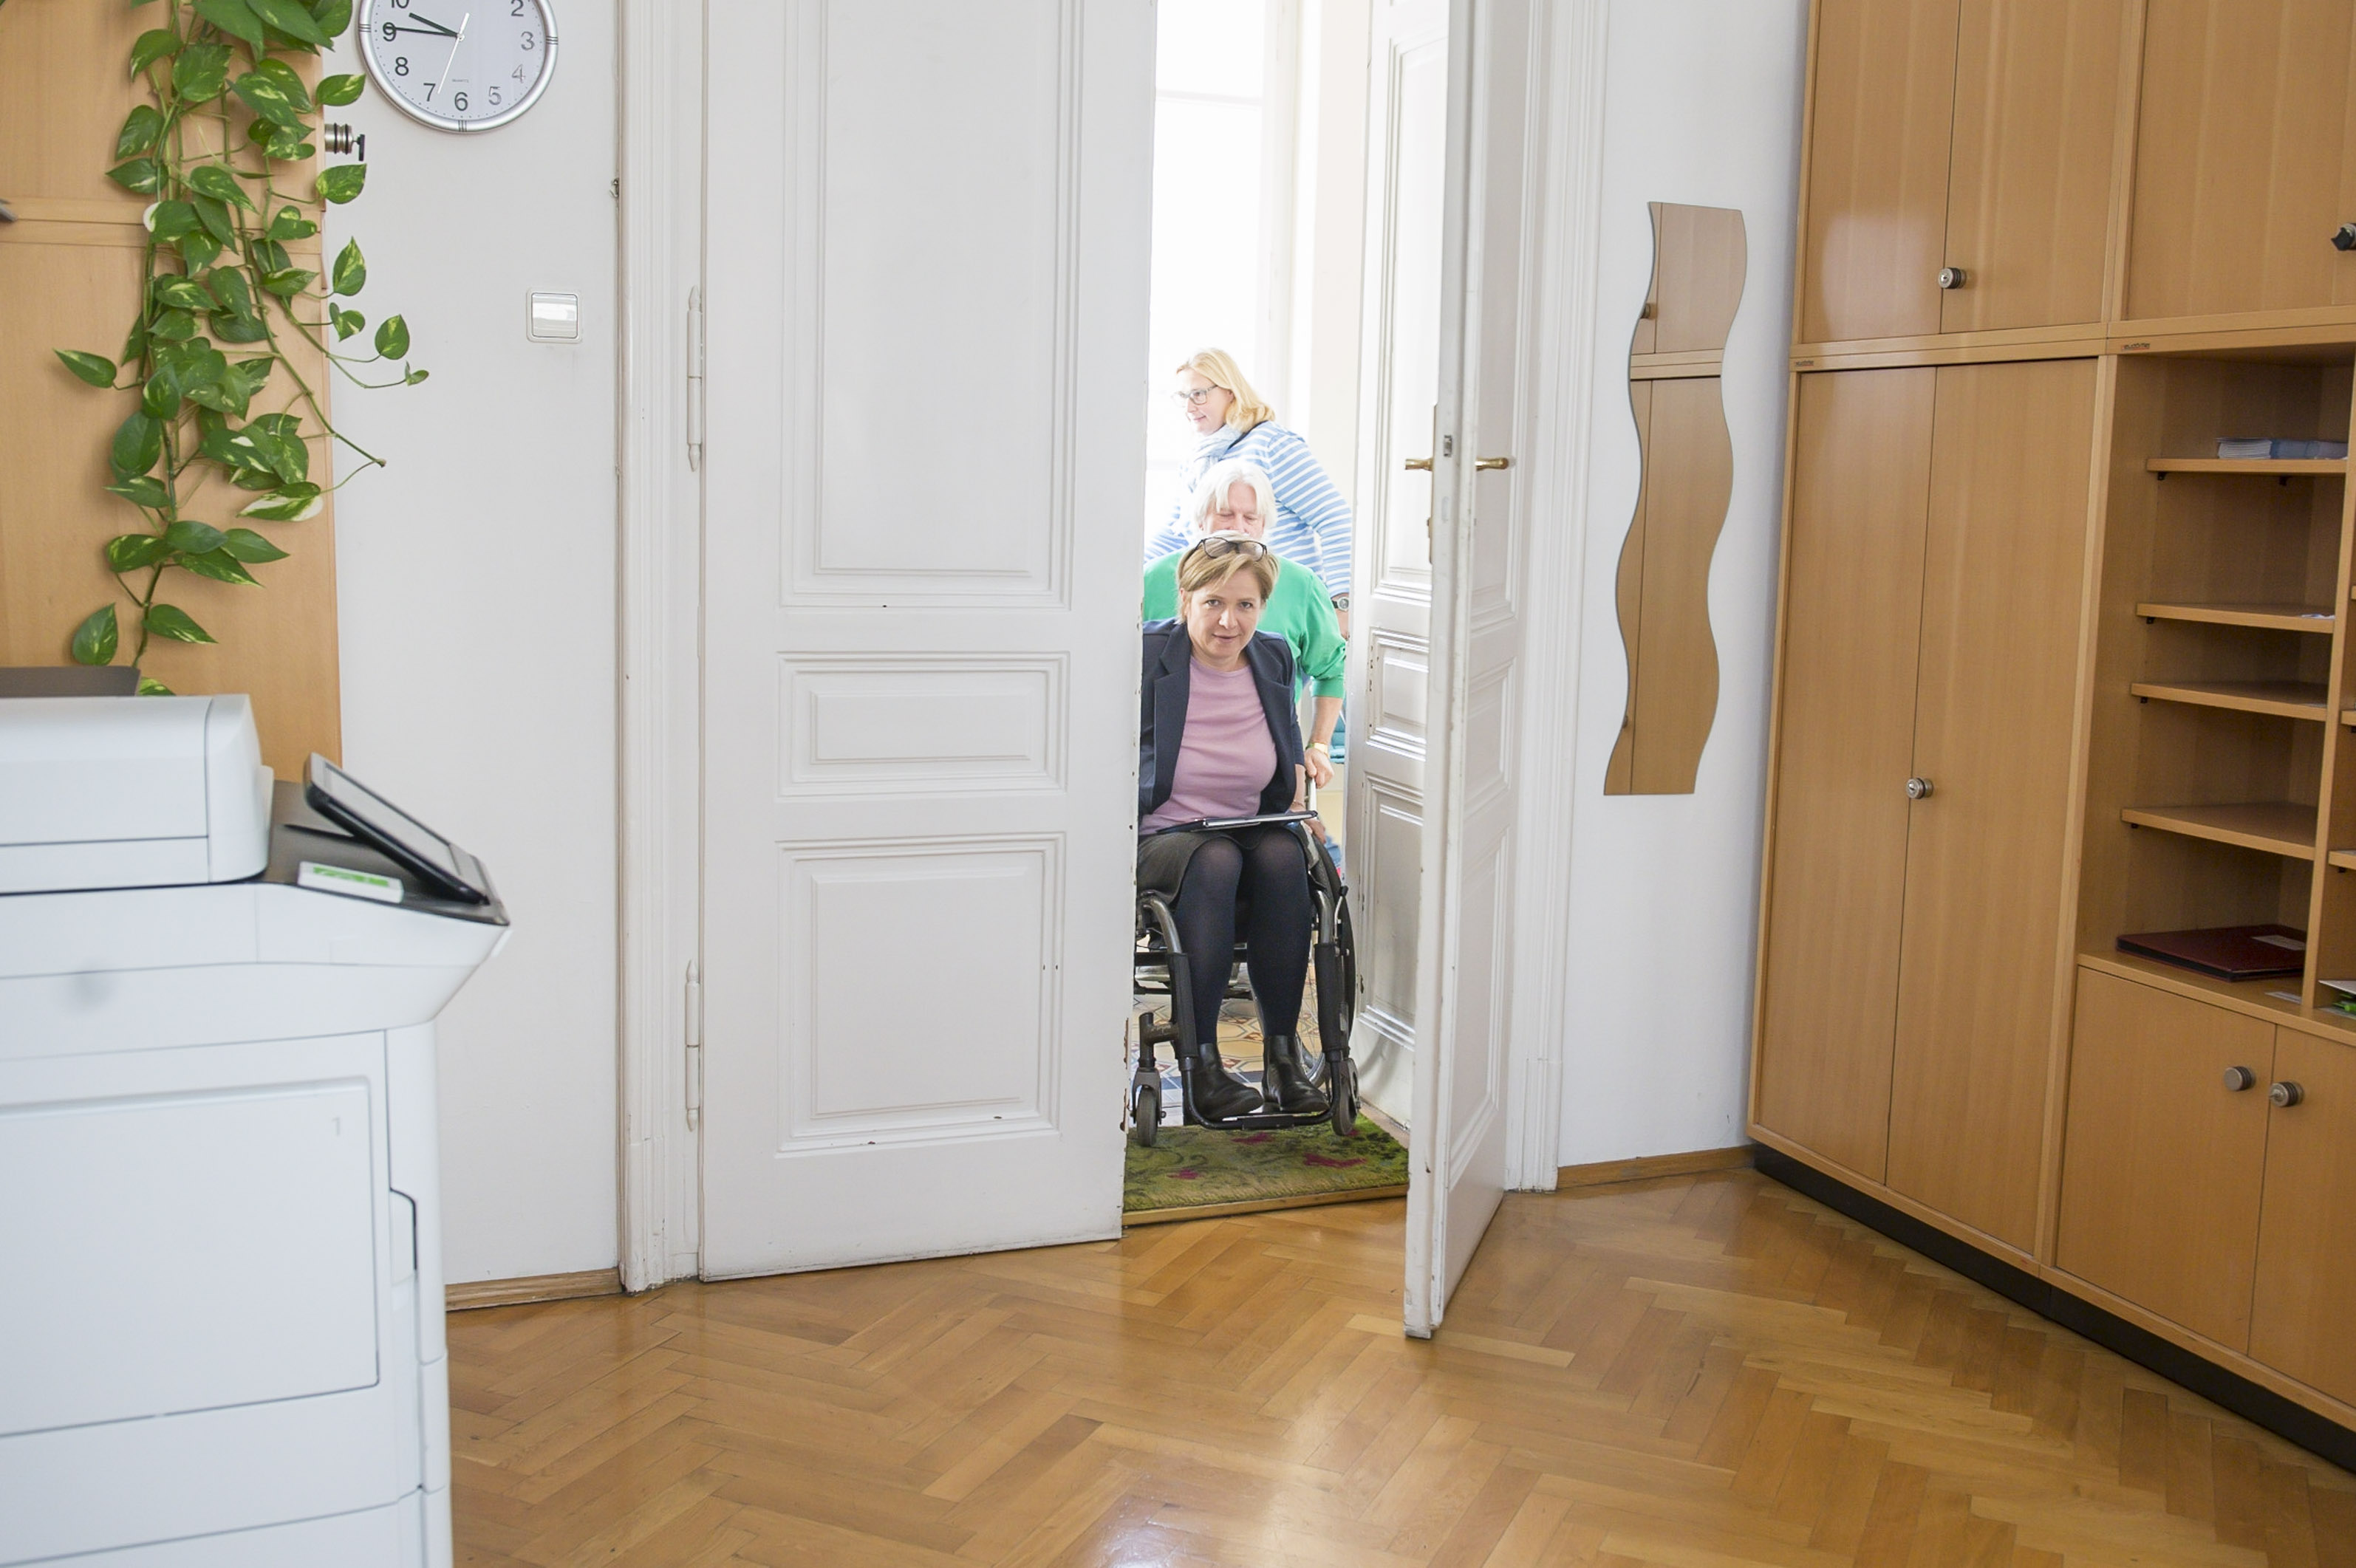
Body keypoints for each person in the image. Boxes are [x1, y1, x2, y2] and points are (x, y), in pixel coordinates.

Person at [1138, 534, 1329, 1122]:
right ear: (1185, 599)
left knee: (1280, 854)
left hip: (1248, 826)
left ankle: (1281, 1062)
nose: (1229, 620)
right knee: (1214, 857)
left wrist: (1303, 814)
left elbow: (1286, 749)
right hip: (1163, 837)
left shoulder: (1272, 657)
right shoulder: (1145, 655)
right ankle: (1202, 1064)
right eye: (1213, 602)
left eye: (1245, 605)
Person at [1144, 459, 1345, 787]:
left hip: (1267, 765)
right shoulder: (1154, 578)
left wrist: (1318, 746)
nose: (1237, 526)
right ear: (1199, 518)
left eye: (1250, 517)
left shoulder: (1300, 584)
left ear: (1264, 523)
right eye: (1225, 514)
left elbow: (1331, 669)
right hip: (1171, 765)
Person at [1147, 349, 1356, 632]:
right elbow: (1174, 533)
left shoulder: (1270, 444)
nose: (1189, 407)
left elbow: (1335, 519)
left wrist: (1340, 604)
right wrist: (1130, 583)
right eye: (1183, 397)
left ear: (1230, 392)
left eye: (1199, 394)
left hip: (1282, 602)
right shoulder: (1198, 460)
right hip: (1227, 601)